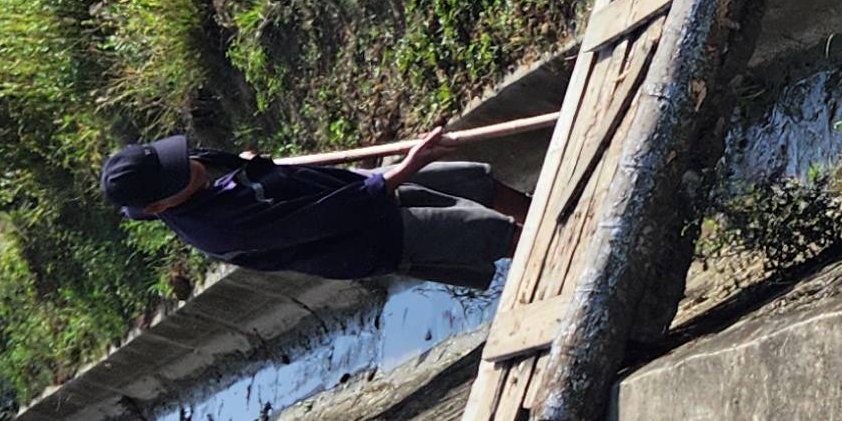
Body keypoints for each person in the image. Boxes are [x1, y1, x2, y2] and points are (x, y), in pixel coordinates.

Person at [99, 124, 525, 288]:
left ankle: (552, 217)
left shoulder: (191, 166)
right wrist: (405, 168)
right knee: (490, 232)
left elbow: (247, 170)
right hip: (366, 233)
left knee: (475, 179)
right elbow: (322, 219)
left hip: (353, 186)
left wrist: (250, 164)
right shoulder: (218, 229)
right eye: (177, 176)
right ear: (157, 206)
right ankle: (554, 254)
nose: (190, 167)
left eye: (175, 161)